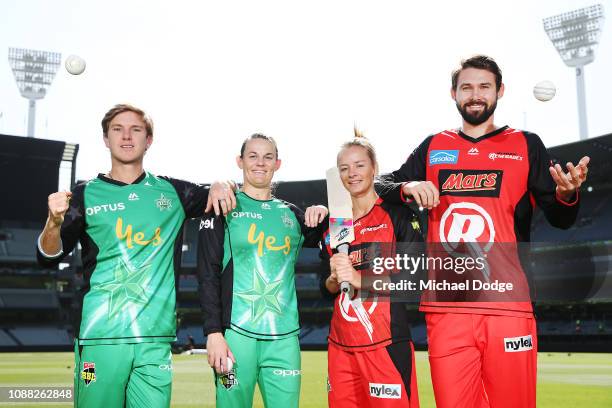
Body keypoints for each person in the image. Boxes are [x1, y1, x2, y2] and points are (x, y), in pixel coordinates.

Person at [383, 55, 590, 408]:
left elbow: (560, 218)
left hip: (508, 305)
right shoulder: (433, 147)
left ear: (499, 91)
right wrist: (409, 186)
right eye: (466, 87)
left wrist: (567, 194)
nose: (475, 95)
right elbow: (381, 185)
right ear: (454, 94)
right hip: (447, 309)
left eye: (484, 86)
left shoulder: (526, 144)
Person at [37, 104, 237, 408]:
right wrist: (53, 221)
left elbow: (217, 194)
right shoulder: (84, 194)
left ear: (149, 139)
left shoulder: (174, 193)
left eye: (136, 129)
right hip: (100, 338)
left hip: (155, 342)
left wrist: (223, 183)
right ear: (105, 139)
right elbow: (49, 256)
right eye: (118, 129)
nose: (127, 136)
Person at [197, 133, 327, 408]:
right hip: (235, 336)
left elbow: (336, 240)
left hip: (284, 339)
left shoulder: (292, 215)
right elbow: (207, 274)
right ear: (240, 161)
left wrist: (322, 211)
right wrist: (213, 333)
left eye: (268, 157)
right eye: (253, 156)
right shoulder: (223, 208)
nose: (260, 163)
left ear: (277, 163)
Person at [320, 132, 422, 407]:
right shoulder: (335, 225)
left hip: (385, 344)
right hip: (340, 348)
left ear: (374, 168)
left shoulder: (397, 215)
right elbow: (326, 288)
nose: (351, 173)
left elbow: (413, 281)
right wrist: (333, 278)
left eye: (359, 165)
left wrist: (357, 277)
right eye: (344, 168)